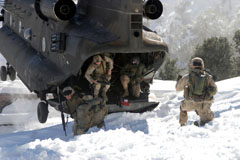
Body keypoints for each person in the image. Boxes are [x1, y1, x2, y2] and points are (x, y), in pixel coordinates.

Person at [176, 57, 217, 126]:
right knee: (207, 122)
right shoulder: (208, 77)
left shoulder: (187, 77)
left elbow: (178, 88)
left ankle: (183, 124)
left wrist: (178, 81)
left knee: (182, 108)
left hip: (191, 102)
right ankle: (204, 117)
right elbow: (215, 90)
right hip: (204, 103)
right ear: (202, 65)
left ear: (192, 65)